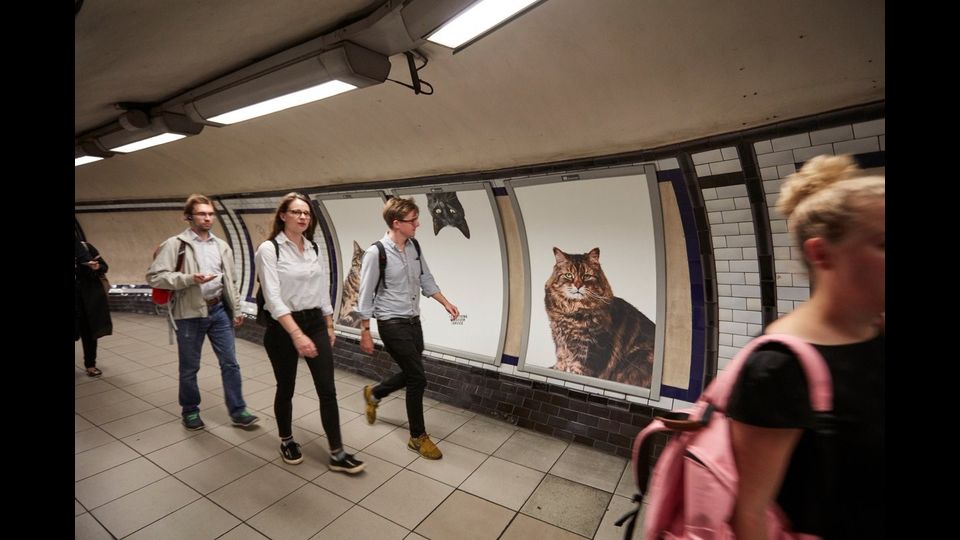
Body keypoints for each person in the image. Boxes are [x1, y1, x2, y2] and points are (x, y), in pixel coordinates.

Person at [727, 155, 884, 539]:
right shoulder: (778, 367)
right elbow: (750, 516)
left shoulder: (876, 334)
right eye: (882, 242)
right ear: (821, 253)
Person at [256, 193, 364, 473]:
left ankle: (337, 452)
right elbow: (272, 297)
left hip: (315, 322)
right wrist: (296, 334)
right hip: (283, 328)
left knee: (328, 390)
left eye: (306, 213)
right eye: (296, 212)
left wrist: (329, 324)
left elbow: (321, 289)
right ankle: (287, 439)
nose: (303, 217)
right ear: (283, 216)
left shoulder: (313, 247)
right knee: (286, 387)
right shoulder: (270, 250)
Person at [357, 197, 460, 460]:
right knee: (418, 378)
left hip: (413, 321)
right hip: (391, 322)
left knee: (411, 372)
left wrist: (445, 303)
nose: (418, 224)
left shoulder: (414, 246)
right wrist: (365, 330)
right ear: (396, 223)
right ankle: (418, 437)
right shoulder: (376, 253)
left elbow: (426, 278)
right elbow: (365, 294)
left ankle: (375, 393)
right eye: (413, 221)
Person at [146, 194, 259, 431]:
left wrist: (236, 309)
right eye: (202, 214)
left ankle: (238, 411)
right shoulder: (175, 245)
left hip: (218, 310)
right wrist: (189, 279)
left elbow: (231, 280)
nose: (207, 218)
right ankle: (190, 411)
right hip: (189, 314)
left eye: (210, 214)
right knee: (189, 367)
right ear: (188, 217)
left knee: (230, 363)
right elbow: (154, 276)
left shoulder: (222, 246)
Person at [75, 235, 112, 377]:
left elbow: (104, 266)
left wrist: (96, 266)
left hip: (87, 300)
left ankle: (90, 365)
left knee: (89, 333)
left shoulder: (86, 247)